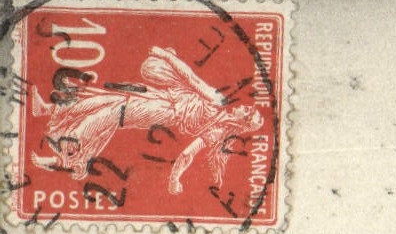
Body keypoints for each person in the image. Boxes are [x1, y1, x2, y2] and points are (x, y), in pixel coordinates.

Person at [31, 46, 264, 195]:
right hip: (161, 97)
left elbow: (191, 81)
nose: (244, 107)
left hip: (164, 110)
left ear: (242, 122)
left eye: (247, 113)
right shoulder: (219, 113)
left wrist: (174, 180)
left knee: (113, 113)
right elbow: (190, 84)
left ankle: (67, 149)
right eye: (248, 108)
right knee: (106, 99)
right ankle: (49, 111)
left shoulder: (217, 109)